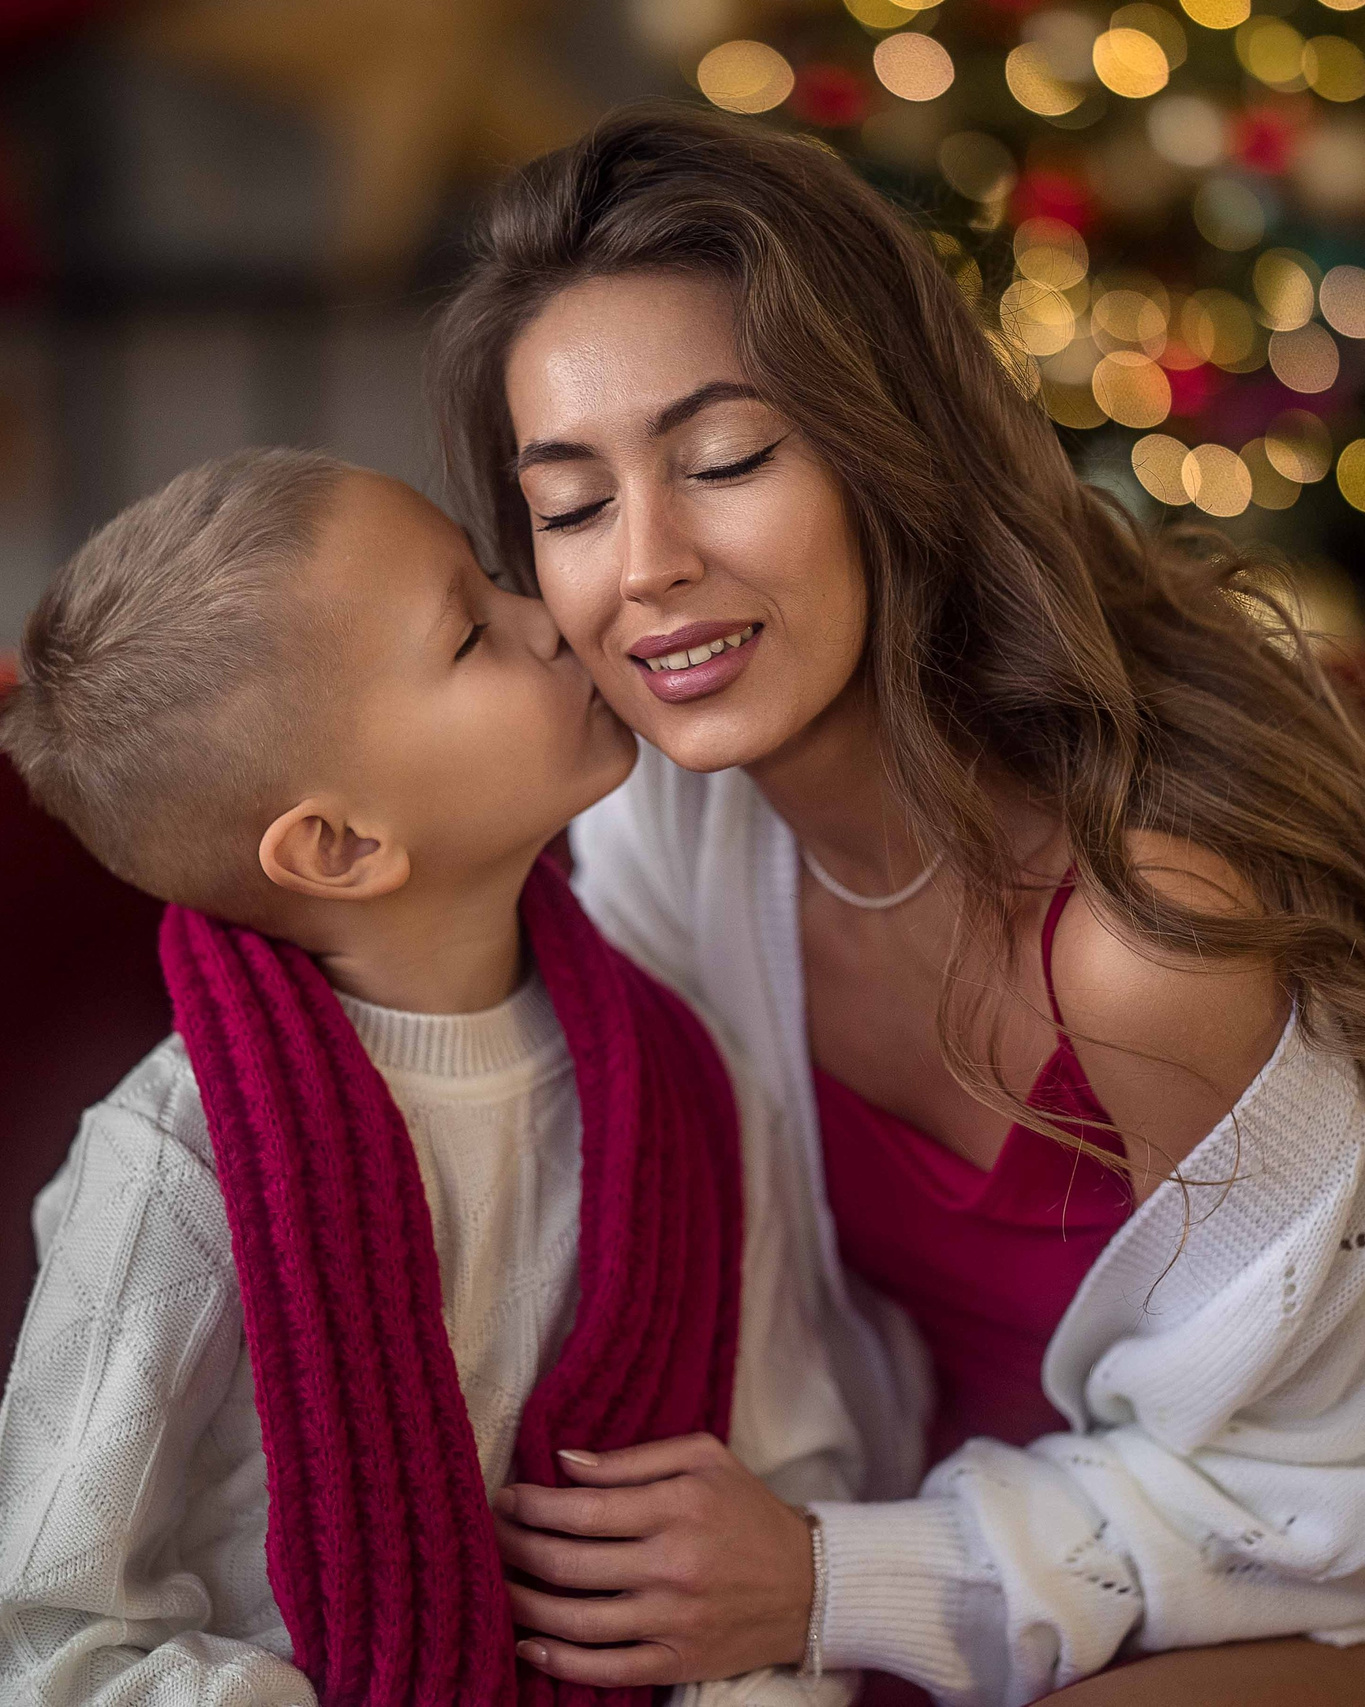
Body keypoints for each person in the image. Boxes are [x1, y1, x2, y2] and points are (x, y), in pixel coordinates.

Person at [429, 103, 1365, 1705]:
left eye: (723, 460)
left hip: (1277, 1591)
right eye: (572, 505)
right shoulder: (661, 827)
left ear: (889, 443)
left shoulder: (1144, 930)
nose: (643, 565)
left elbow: (1320, 1506)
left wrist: (831, 1573)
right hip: (923, 1568)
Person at [0, 447, 862, 1706]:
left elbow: (787, 1475)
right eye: (473, 631)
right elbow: (51, 1636)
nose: (556, 617)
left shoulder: (681, 1079)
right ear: (342, 844)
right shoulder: (177, 1160)